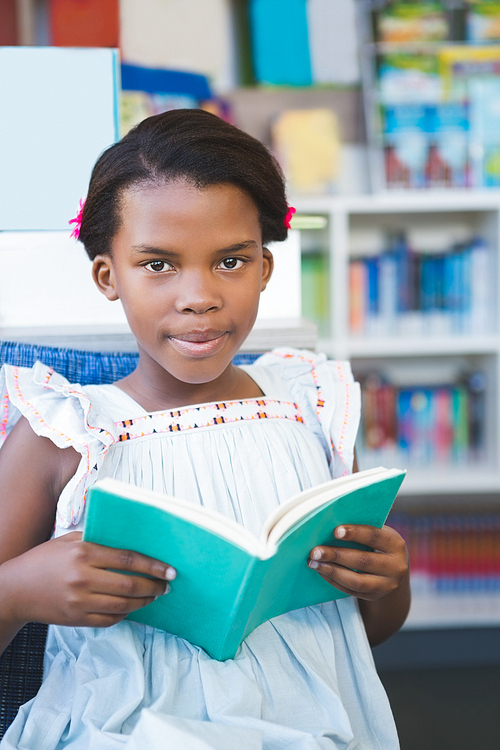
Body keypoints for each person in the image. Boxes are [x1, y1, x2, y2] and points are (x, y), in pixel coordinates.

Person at [0, 109, 410, 750]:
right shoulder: (65, 431)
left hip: (314, 731)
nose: (199, 296)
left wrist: (388, 581)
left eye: (230, 262)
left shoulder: (314, 407)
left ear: (265, 270)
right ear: (109, 276)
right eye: (158, 265)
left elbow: (366, 633)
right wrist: (16, 592)